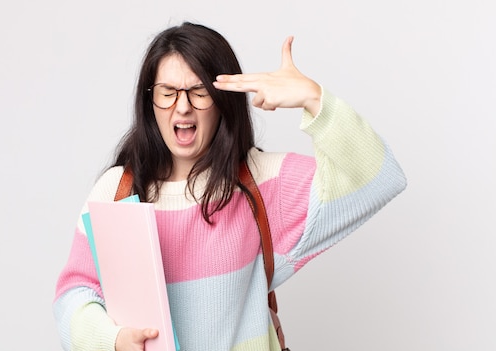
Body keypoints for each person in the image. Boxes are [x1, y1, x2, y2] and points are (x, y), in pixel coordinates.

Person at [53, 21, 407, 351]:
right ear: (150, 101)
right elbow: (74, 294)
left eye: (199, 92)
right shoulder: (117, 192)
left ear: (222, 102)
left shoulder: (263, 184)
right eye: (168, 92)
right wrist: (111, 340)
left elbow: (378, 177)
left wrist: (314, 99)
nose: (183, 107)